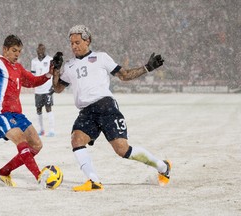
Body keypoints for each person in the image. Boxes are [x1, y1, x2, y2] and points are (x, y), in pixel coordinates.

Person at [52, 25, 171, 192]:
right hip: (86, 112)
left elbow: (124, 75)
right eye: (71, 43)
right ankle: (93, 181)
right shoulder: (70, 65)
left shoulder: (101, 58)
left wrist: (147, 68)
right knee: (76, 140)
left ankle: (162, 166)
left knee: (123, 150)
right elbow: (57, 88)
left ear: (88, 41)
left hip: (106, 106)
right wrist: (56, 70)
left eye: (77, 42)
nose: (74, 46)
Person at [0, 35, 54, 187]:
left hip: (17, 114)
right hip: (1, 114)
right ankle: (39, 177)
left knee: (36, 145)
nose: (17, 54)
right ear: (5, 49)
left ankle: (3, 173)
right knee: (21, 140)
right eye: (14, 50)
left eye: (19, 51)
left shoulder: (18, 68)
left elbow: (33, 81)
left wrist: (49, 74)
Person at [31, 43, 55, 137]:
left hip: (47, 89)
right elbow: (33, 75)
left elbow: (53, 73)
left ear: (44, 50)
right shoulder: (34, 61)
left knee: (48, 109)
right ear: (37, 50)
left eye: (42, 49)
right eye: (39, 50)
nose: (40, 51)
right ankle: (41, 130)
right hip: (38, 90)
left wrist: (53, 85)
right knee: (38, 110)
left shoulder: (50, 60)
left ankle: (52, 130)